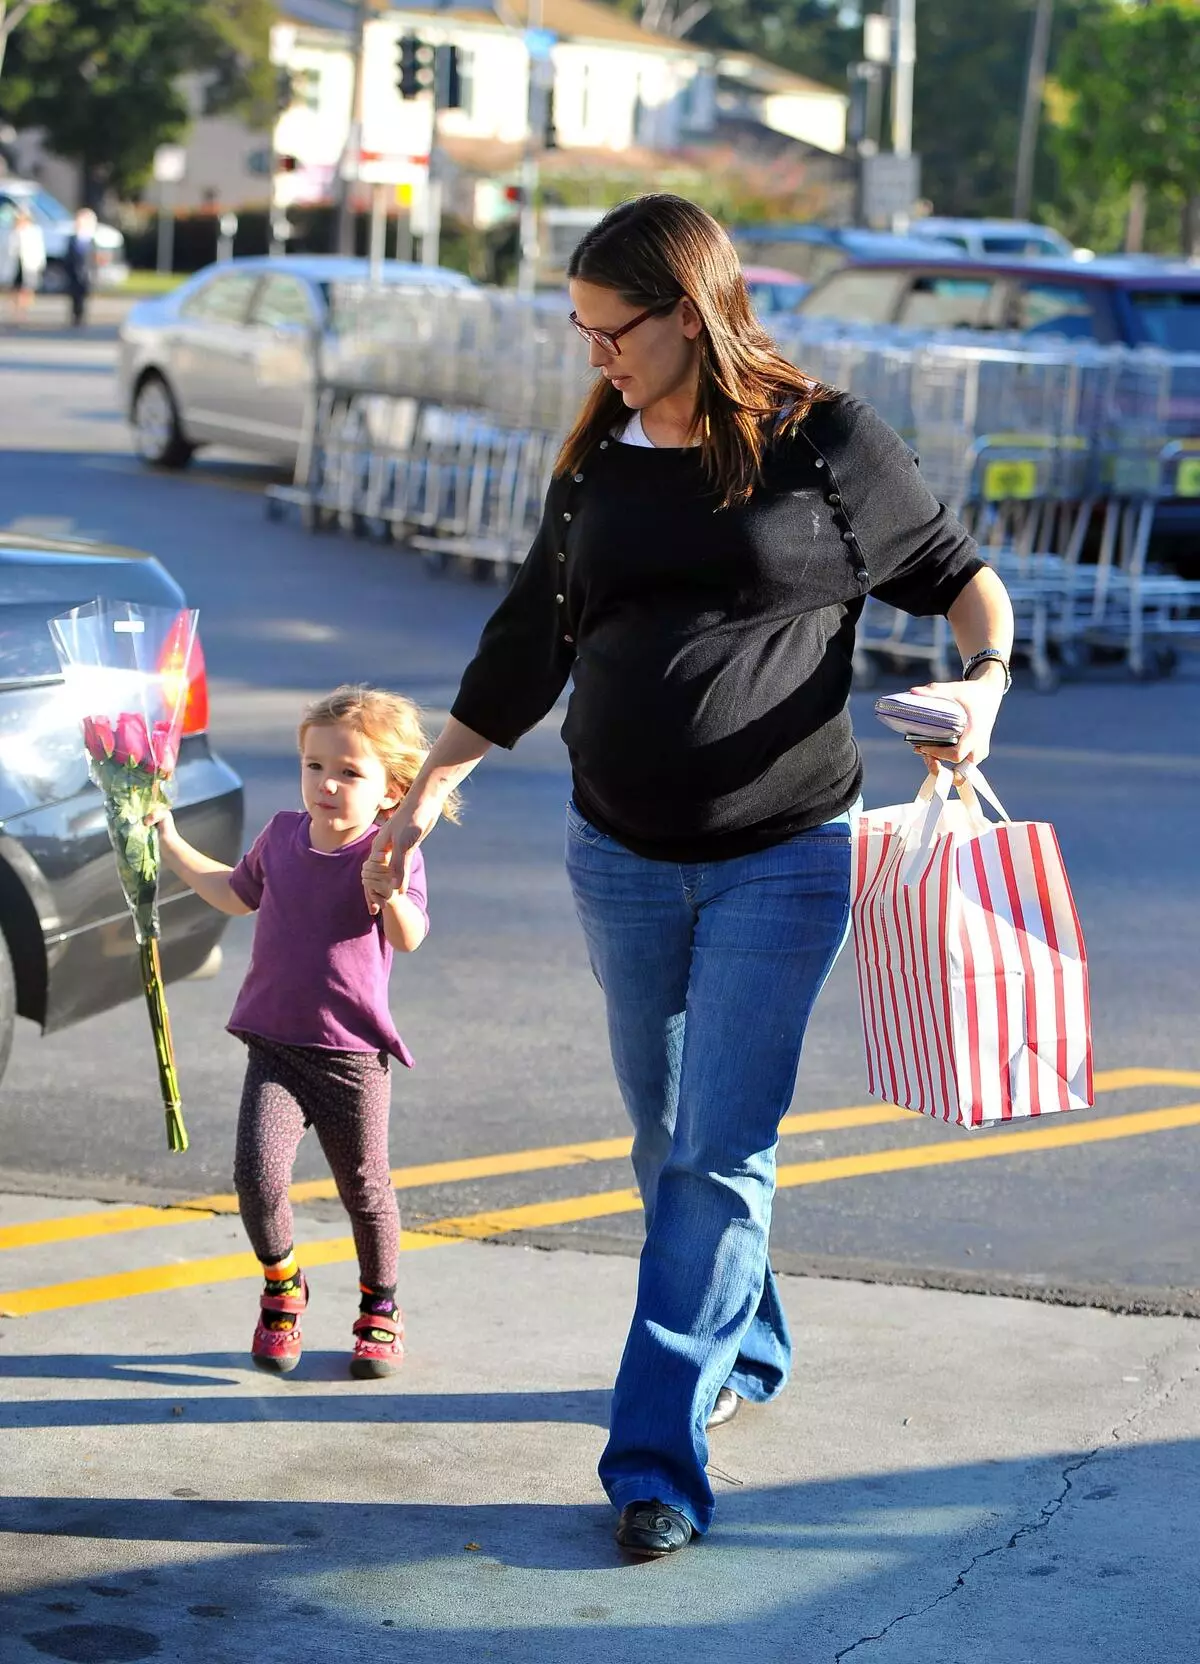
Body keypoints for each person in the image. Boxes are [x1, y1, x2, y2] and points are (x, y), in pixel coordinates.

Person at [369, 194, 1015, 1556]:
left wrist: (986, 686)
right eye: (580, 332)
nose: (594, 355)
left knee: (722, 1153)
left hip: (785, 856)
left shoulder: (828, 445)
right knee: (672, 1145)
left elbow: (965, 581)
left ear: (690, 311)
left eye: (613, 330)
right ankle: (751, 1342)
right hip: (618, 857)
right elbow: (525, 647)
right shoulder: (598, 465)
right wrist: (430, 786)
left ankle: (655, 1460)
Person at [152, 685, 455, 1378]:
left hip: (352, 1058)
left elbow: (409, 936)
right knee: (256, 1178)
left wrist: (386, 889)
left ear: (391, 792)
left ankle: (381, 1307)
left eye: (350, 772)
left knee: (366, 1190)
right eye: (315, 766)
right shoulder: (282, 836)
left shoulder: (388, 851)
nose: (327, 784)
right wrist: (168, 840)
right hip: (277, 1048)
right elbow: (235, 891)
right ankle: (282, 1286)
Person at [9, 207, 45, 323]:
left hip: (29, 264)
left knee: (27, 288)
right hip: (15, 263)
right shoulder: (14, 232)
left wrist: (40, 264)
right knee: (16, 288)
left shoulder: (33, 231)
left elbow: (39, 249)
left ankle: (23, 310)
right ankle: (17, 311)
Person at [63, 207, 97, 327]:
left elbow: (92, 259)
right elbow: (67, 256)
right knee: (74, 296)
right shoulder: (72, 239)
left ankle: (81, 316)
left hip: (86, 274)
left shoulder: (90, 239)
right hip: (73, 273)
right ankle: (74, 316)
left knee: (83, 296)